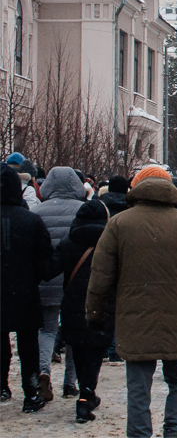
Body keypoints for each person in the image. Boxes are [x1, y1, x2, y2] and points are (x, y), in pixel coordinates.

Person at [86, 165, 177, 438]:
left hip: (134, 317)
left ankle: (139, 433)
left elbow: (100, 276)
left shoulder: (120, 224)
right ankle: (175, 429)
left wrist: (95, 314)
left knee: (138, 386)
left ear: (137, 187)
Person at [1, 167, 56, 412]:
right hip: (24, 291)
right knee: (28, 345)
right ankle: (31, 393)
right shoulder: (31, 220)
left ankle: (1, 387)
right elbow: (45, 264)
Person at [54, 199, 114, 423]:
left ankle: (86, 392)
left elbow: (50, 268)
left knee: (79, 349)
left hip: (72, 305)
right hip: (103, 304)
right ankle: (86, 396)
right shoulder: (110, 243)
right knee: (96, 352)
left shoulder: (69, 241)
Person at [34, 165, 86, 401]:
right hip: (75, 279)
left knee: (46, 329)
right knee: (74, 331)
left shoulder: (38, 211)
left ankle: (43, 370)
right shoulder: (82, 210)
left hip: (46, 279)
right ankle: (70, 383)